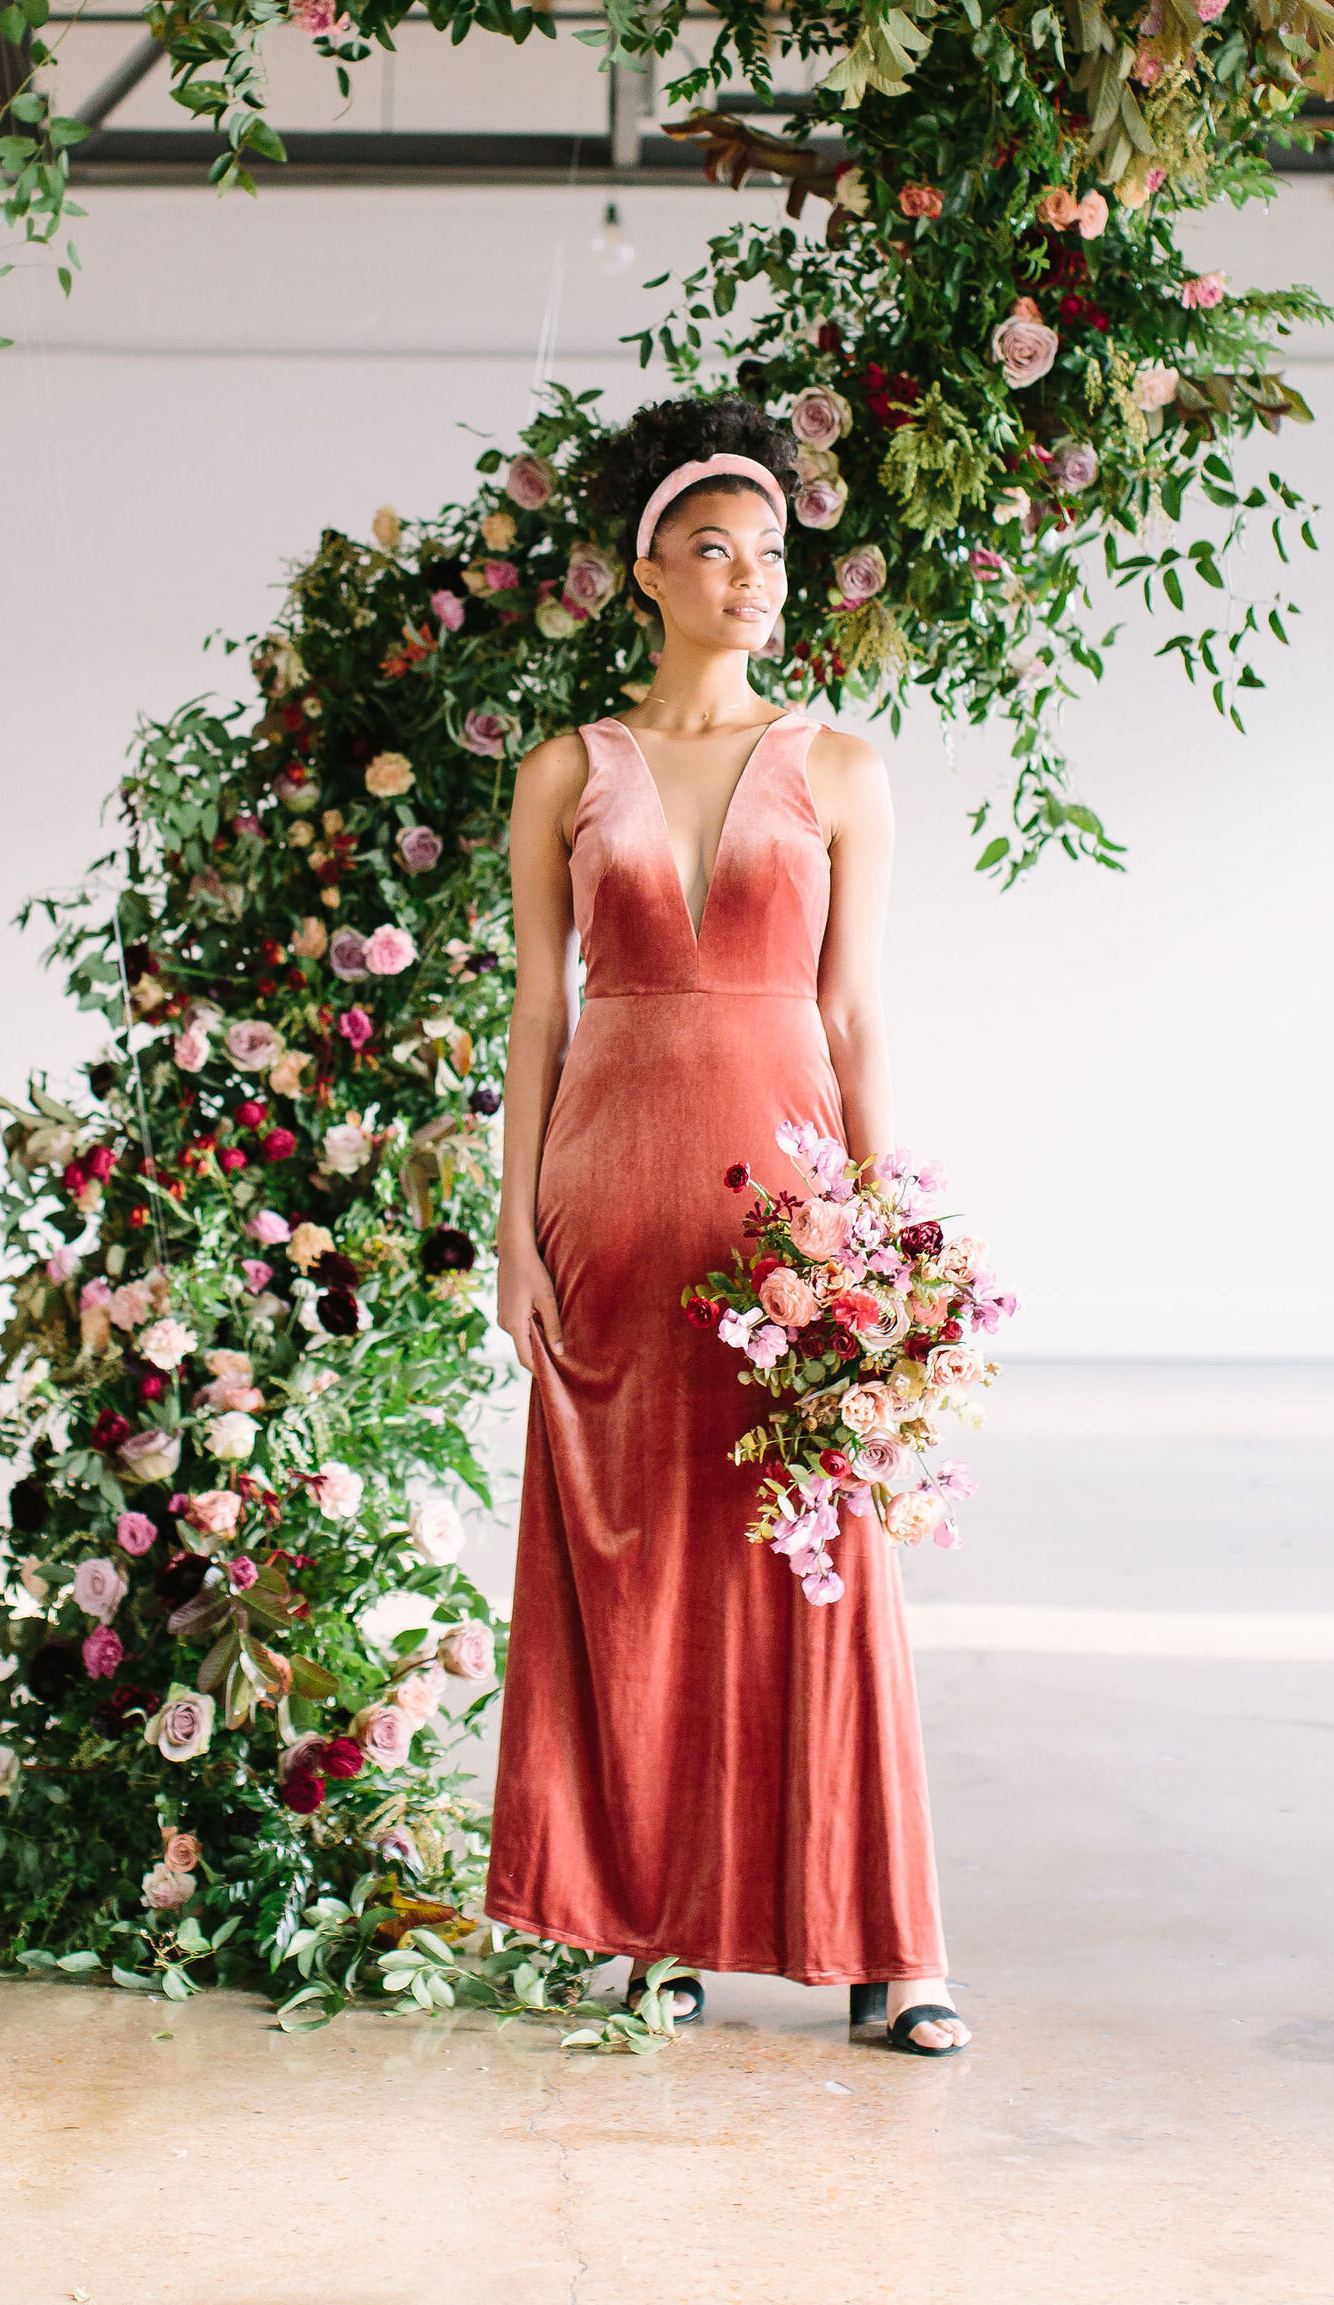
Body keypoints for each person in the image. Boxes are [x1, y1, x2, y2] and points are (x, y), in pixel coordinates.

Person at [482, 396, 969, 2054]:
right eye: (716, 549)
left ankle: (891, 1946)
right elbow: (538, 1019)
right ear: (646, 572)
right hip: (607, 1193)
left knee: (823, 1570)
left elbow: (858, 1014)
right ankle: (656, 1925)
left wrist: (889, 1243)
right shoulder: (567, 769)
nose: (753, 579)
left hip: (788, 1209)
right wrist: (507, 1230)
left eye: (770, 553)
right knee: (639, 1574)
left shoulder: (839, 767)